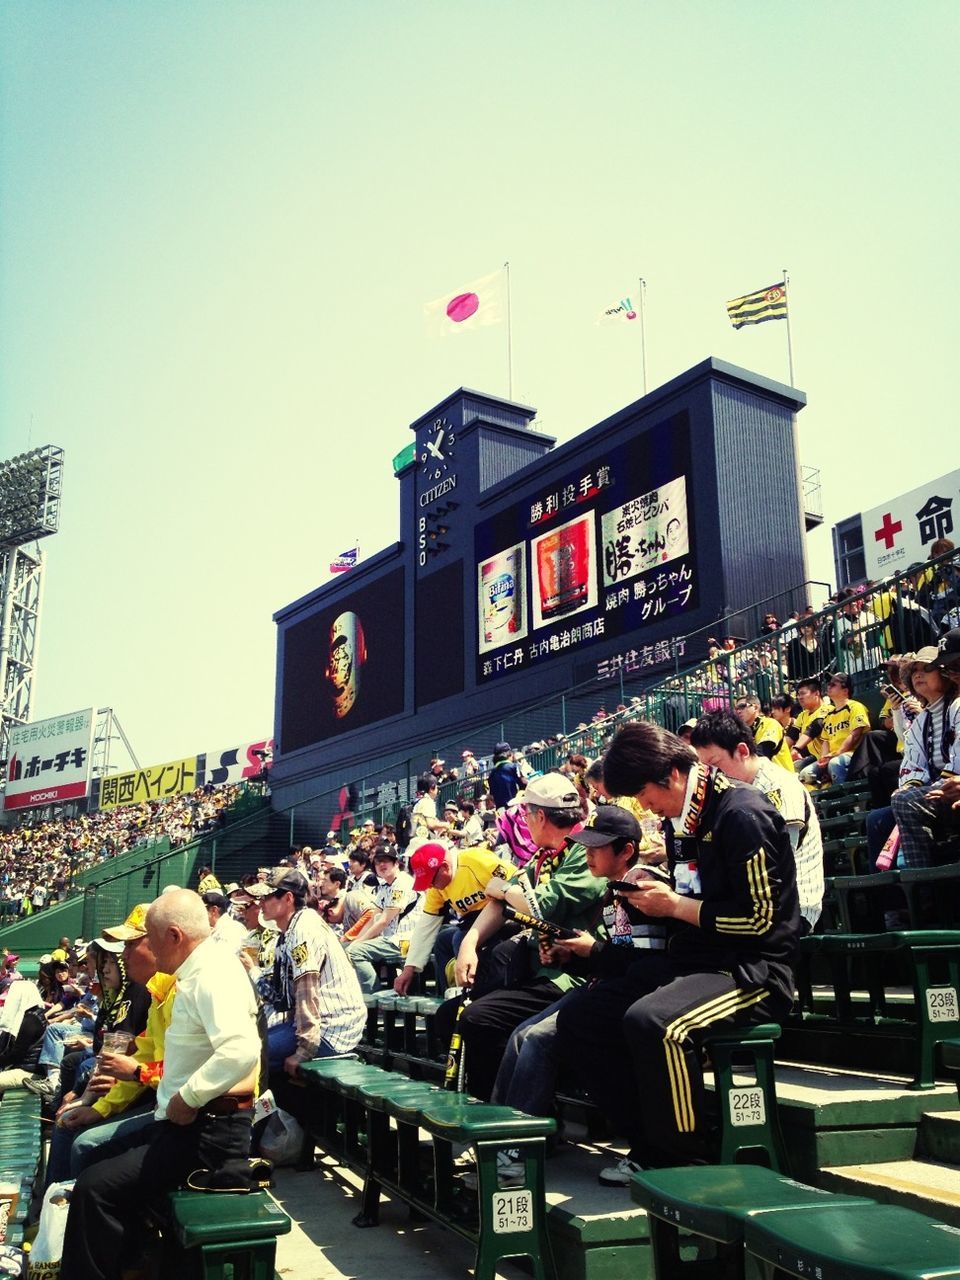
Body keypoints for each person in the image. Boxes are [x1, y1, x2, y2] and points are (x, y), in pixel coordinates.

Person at [555, 720, 799, 1182]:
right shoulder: (681, 820)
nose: (645, 807)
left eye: (646, 795)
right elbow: (694, 891)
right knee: (582, 1019)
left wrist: (676, 905)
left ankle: (682, 1159)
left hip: (755, 970)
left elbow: (762, 923)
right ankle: (646, 1142)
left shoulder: (741, 814)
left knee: (655, 1022)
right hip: (696, 959)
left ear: (671, 775)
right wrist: (659, 892)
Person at [59, 889, 261, 1280]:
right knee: (99, 1168)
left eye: (151, 938)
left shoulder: (213, 974)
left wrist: (189, 1096)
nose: (148, 946)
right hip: (186, 1126)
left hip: (206, 1136)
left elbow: (240, 1049)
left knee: (94, 1188)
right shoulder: (197, 972)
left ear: (173, 936)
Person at [436, 773, 605, 1103]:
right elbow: (501, 898)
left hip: (567, 976)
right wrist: (470, 942)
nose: (524, 822)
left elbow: (536, 904)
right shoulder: (543, 855)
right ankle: (493, 1114)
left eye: (526, 814)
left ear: (540, 816)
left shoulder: (584, 851)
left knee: (478, 1020)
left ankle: (509, 1124)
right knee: (449, 1016)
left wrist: (503, 890)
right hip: (531, 970)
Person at [46, 903, 176, 1185]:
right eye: (100, 961)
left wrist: (90, 1098)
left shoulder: (149, 992)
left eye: (109, 959)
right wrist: (96, 1106)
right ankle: (52, 1210)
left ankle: (61, 1207)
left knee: (82, 1137)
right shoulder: (151, 993)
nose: (104, 968)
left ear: (159, 943)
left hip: (181, 1113)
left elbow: (124, 1059)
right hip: (158, 1096)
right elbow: (131, 1053)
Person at [691, 712, 824, 931]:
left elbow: (780, 865)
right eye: (705, 769)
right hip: (752, 905)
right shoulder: (729, 792)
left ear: (742, 751)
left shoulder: (778, 785)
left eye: (715, 765)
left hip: (791, 911)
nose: (711, 775)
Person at [259, 869, 366, 1081]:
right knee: (249, 1046)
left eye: (268, 896)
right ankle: (289, 1113)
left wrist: (304, 1051)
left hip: (333, 1028)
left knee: (251, 1055)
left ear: (288, 898)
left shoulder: (304, 929)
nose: (261, 902)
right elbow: (285, 1001)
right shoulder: (289, 930)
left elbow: (307, 993)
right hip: (316, 1023)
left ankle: (288, 1113)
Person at [393, 841, 514, 996]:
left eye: (431, 880)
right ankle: (450, 994)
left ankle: (476, 992)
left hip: (505, 916)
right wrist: (409, 968)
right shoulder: (437, 888)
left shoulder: (477, 860)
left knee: (460, 937)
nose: (429, 886)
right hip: (471, 922)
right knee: (443, 939)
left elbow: (516, 886)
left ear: (445, 867)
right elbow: (426, 926)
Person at [890, 631, 960, 870]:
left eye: (926, 668)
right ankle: (901, 898)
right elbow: (912, 763)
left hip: (950, 785)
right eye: (914, 671)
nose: (918, 674)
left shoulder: (956, 705)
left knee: (905, 802)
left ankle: (924, 889)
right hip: (938, 787)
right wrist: (910, 785)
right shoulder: (921, 721)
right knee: (877, 818)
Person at [343, 846, 421, 993]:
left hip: (406, 941)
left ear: (396, 863)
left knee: (354, 952)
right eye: (378, 862)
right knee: (346, 948)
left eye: (386, 861)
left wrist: (357, 943)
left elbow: (383, 920)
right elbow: (373, 919)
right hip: (391, 939)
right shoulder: (386, 886)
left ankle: (372, 996)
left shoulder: (402, 883)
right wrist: (356, 940)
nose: (381, 865)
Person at [797, 673, 871, 786]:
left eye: (833, 684)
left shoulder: (856, 707)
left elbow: (855, 735)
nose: (828, 686)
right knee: (805, 774)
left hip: (853, 754)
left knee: (835, 764)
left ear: (845, 690)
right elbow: (825, 741)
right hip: (832, 756)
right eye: (828, 684)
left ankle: (844, 798)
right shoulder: (830, 714)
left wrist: (836, 754)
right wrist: (823, 759)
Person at [734, 694, 795, 773]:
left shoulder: (770, 723)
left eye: (742, 706)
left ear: (755, 707)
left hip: (782, 779)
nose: (738, 711)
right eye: (736, 708)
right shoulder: (742, 731)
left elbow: (762, 753)